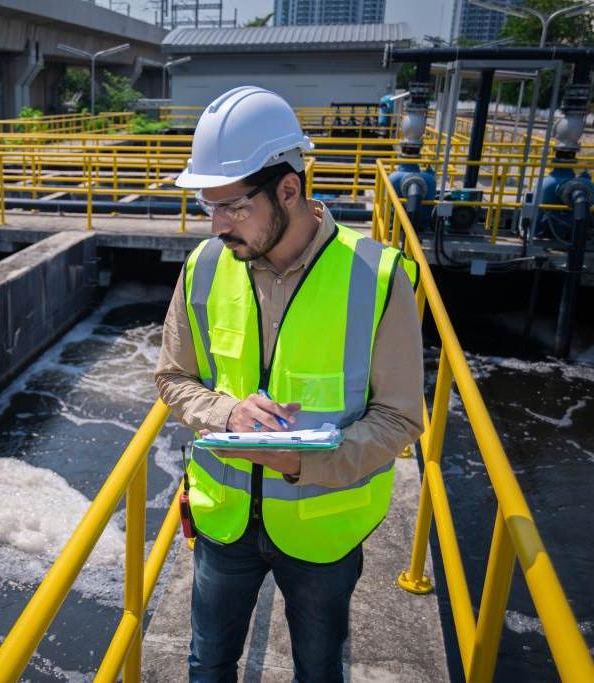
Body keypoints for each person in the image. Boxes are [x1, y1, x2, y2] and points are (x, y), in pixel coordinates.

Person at [154, 86, 424, 683]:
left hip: (323, 531)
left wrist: (303, 465)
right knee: (207, 664)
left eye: (234, 206)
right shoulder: (202, 267)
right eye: (207, 206)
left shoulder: (377, 277)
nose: (218, 224)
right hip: (224, 522)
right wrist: (225, 413)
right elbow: (173, 377)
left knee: (319, 669)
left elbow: (401, 418)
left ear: (289, 189)